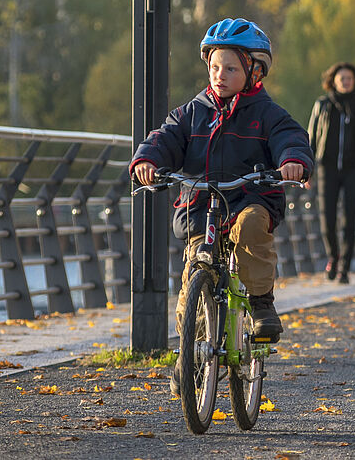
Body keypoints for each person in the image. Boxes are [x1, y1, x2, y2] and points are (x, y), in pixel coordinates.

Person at [131, 18, 312, 341]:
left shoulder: (267, 114)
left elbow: (290, 138)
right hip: (202, 206)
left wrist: (293, 161)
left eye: (231, 69)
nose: (220, 75)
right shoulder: (191, 113)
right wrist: (147, 160)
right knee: (193, 278)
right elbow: (166, 137)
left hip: (251, 198)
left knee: (252, 226)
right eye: (215, 67)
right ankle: (191, 357)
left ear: (254, 73)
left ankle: (261, 305)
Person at [308, 62, 355, 284]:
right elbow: (311, 139)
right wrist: (306, 170)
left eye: (349, 78)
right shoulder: (322, 105)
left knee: (349, 220)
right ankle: (333, 257)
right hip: (326, 169)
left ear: (354, 81)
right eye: (342, 78)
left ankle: (345, 268)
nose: (345, 82)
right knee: (327, 219)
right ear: (334, 81)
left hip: (353, 170)